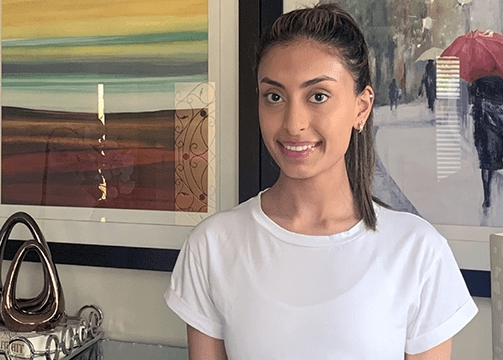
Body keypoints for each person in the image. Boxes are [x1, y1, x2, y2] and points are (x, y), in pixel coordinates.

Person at [164, 4, 477, 359]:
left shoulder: (418, 252)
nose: (293, 123)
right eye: (275, 97)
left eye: (318, 96)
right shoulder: (213, 247)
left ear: (361, 107)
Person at [468, 75, 503, 208]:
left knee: (486, 162)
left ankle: (487, 197)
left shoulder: (480, 75)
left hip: (485, 120)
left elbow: (471, 97)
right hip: (500, 118)